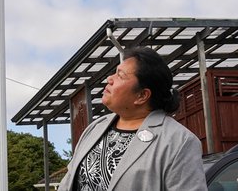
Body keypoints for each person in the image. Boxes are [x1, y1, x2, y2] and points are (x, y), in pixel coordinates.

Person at [57, 46, 206, 191]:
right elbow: (68, 182)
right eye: (115, 73)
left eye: (120, 76)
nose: (110, 79)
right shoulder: (95, 128)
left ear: (142, 96)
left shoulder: (179, 141)